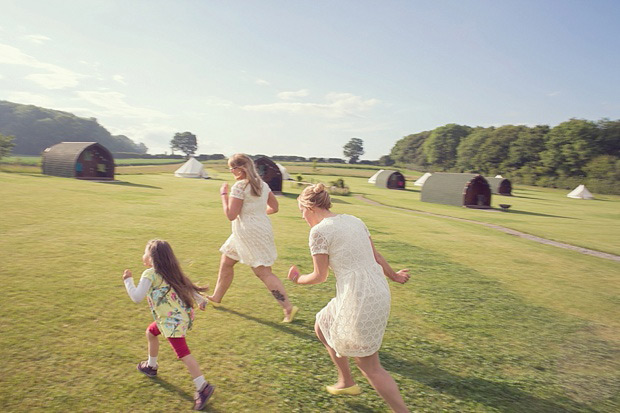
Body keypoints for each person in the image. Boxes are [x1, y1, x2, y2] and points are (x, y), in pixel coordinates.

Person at [288, 183, 410, 413]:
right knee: (322, 323)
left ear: (310, 207)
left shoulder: (319, 232)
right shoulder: (354, 220)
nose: (302, 217)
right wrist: (394, 276)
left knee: (370, 366)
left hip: (360, 296)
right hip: (374, 288)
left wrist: (297, 279)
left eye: (301, 211)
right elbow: (375, 255)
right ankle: (346, 382)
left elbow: (319, 276)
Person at [123, 239, 215, 411]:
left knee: (183, 353)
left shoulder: (150, 274)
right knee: (151, 332)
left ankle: (203, 387)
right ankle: (151, 366)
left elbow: (136, 297)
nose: (143, 256)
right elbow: (187, 287)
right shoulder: (169, 271)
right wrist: (200, 300)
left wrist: (128, 280)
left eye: (145, 253)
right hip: (175, 318)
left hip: (171, 322)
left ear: (151, 258)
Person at [207, 153, 298, 323]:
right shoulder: (262, 185)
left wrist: (223, 195)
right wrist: (256, 216)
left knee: (263, 272)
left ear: (240, 169)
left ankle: (288, 308)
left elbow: (230, 215)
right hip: (257, 229)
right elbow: (274, 207)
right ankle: (216, 297)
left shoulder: (239, 187)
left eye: (232, 168)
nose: (231, 171)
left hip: (247, 231)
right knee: (227, 261)